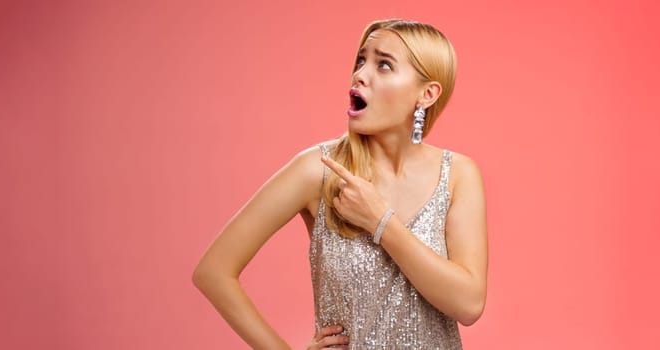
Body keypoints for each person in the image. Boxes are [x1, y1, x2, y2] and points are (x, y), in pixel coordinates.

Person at [193, 18, 488, 349]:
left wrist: (381, 222)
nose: (360, 74)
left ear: (426, 94)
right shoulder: (317, 171)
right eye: (361, 60)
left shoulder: (458, 174)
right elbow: (213, 272)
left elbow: (469, 304)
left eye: (384, 65)